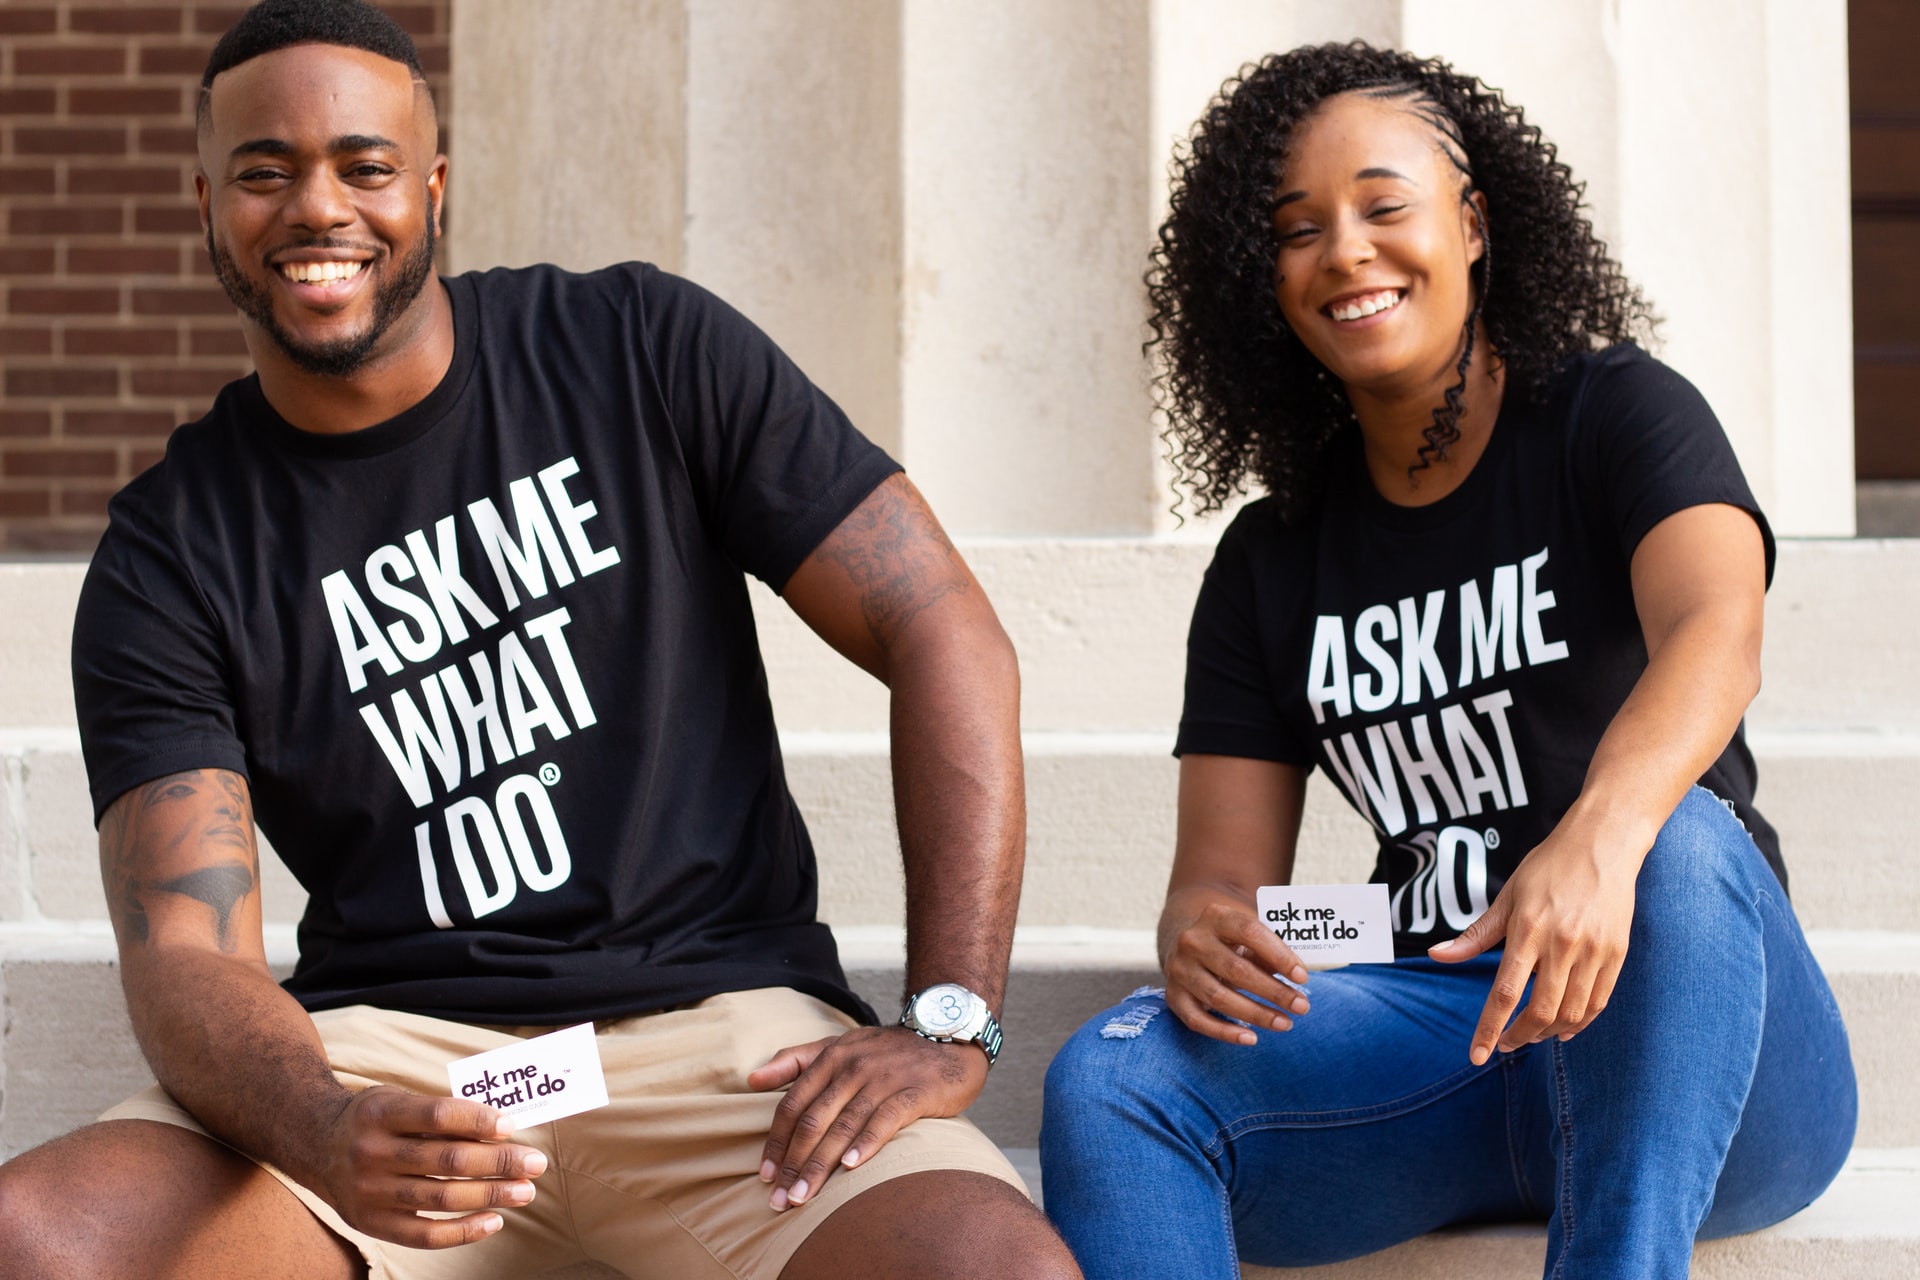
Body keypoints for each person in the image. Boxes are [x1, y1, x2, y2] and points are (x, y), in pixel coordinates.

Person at [0, 3, 1081, 1278]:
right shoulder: (172, 547)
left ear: (434, 186)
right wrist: (323, 1120)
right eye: (263, 171)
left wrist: (953, 1012)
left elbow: (939, 618)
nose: (316, 208)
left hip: (728, 1046)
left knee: (992, 1270)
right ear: (206, 203)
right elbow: (188, 947)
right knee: (47, 1238)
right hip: (389, 1061)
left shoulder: (636, 348)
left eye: (365, 164)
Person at [1039, 42, 1855, 1280]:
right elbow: (1216, 877)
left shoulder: (1615, 415)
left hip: (1699, 1042)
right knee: (1112, 1074)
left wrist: (1598, 835)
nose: (1346, 252)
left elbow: (1718, 636)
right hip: (1445, 1043)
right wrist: (1205, 931)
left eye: (1382, 206)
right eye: (1297, 229)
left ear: (1471, 225)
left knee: (1684, 841)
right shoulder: (1273, 559)